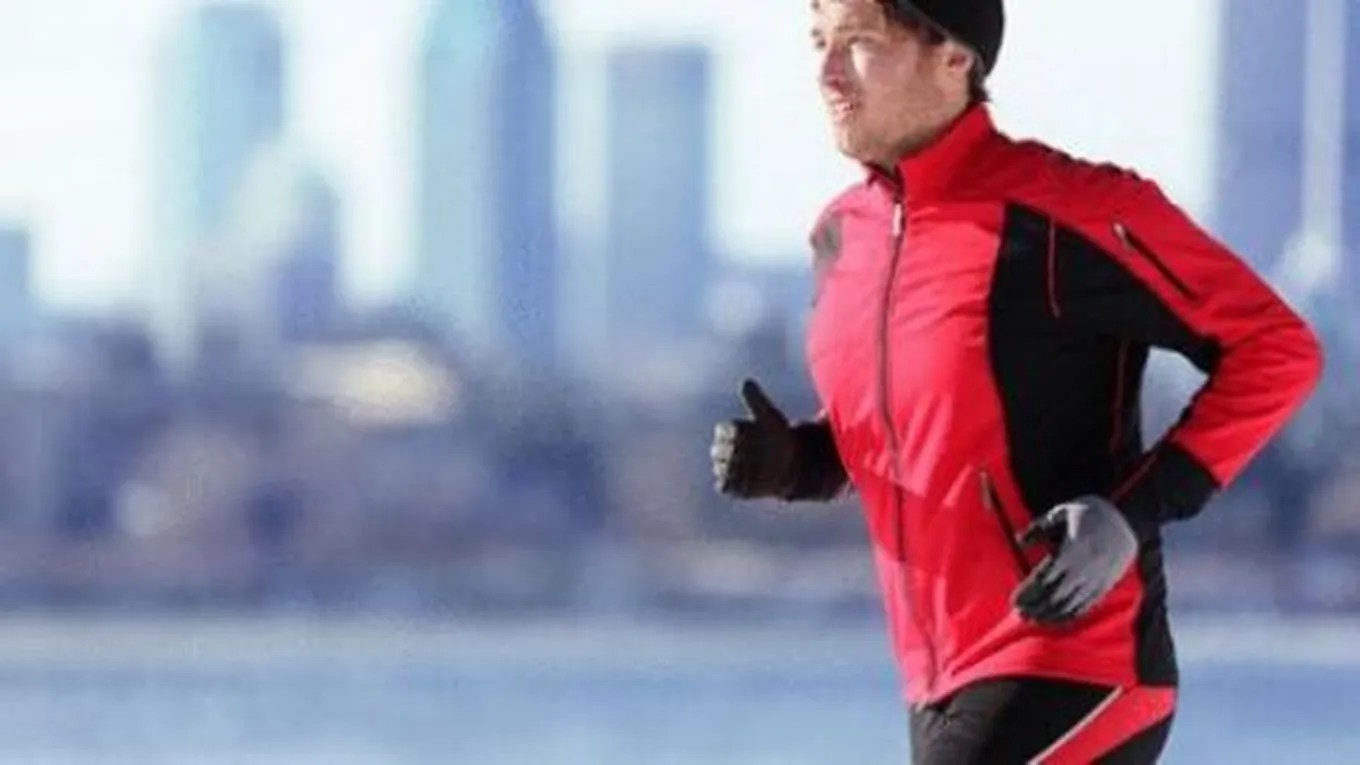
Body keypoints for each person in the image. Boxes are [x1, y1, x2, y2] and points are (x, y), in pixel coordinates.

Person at [708, 0, 1325, 762]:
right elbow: (915, 431)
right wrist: (798, 462)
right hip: (936, 681)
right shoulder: (840, 238)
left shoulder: (1071, 212)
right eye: (819, 42)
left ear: (954, 57)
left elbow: (1275, 348)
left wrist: (1132, 512)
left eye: (860, 41)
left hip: (1079, 659)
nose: (828, 72)